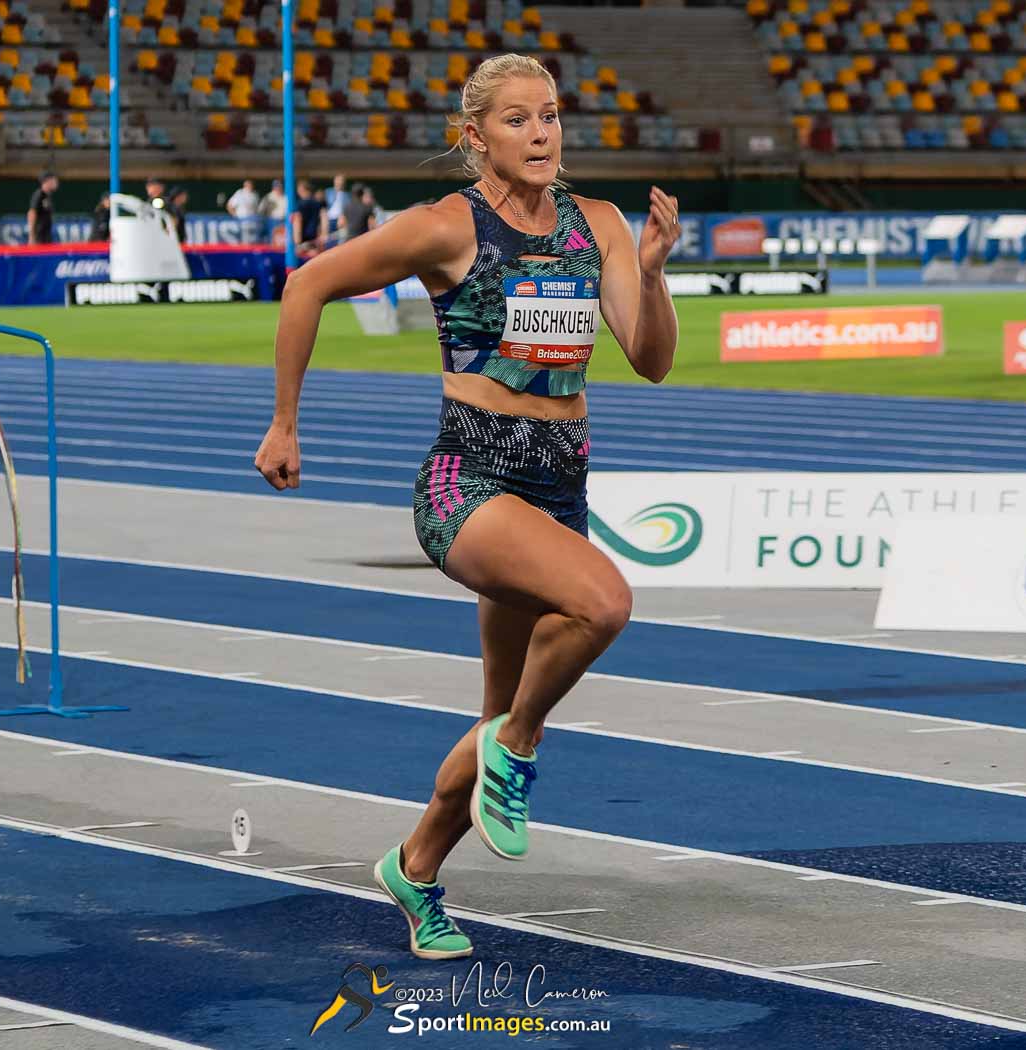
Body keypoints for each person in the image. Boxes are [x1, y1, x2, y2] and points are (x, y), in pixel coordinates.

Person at [253, 53, 680, 959]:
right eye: (518, 120)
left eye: (552, 117)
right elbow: (307, 284)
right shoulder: (448, 227)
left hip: (559, 486)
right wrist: (285, 423)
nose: (541, 134)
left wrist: (653, 270)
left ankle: (413, 868)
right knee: (603, 604)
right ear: (474, 135)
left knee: (489, 720)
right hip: (470, 482)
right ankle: (521, 746)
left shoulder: (596, 224)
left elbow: (649, 357)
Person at [292, 178, 324, 256]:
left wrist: (297, 242)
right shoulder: (317, 203)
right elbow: (323, 219)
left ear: (302, 189)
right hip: (314, 239)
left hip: (303, 240)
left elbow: (297, 221)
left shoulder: (300, 204)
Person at [27, 171, 57, 245]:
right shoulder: (39, 194)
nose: (56, 183)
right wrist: (31, 235)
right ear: (47, 181)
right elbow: (31, 213)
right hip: (39, 235)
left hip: (46, 234)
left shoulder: (48, 196)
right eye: (54, 180)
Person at [324, 173, 348, 243]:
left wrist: (343, 217)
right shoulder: (328, 192)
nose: (339, 182)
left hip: (340, 220)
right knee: (328, 240)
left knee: (339, 240)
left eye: (341, 181)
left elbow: (346, 209)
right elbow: (324, 207)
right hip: (329, 219)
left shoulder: (347, 196)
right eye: (338, 180)